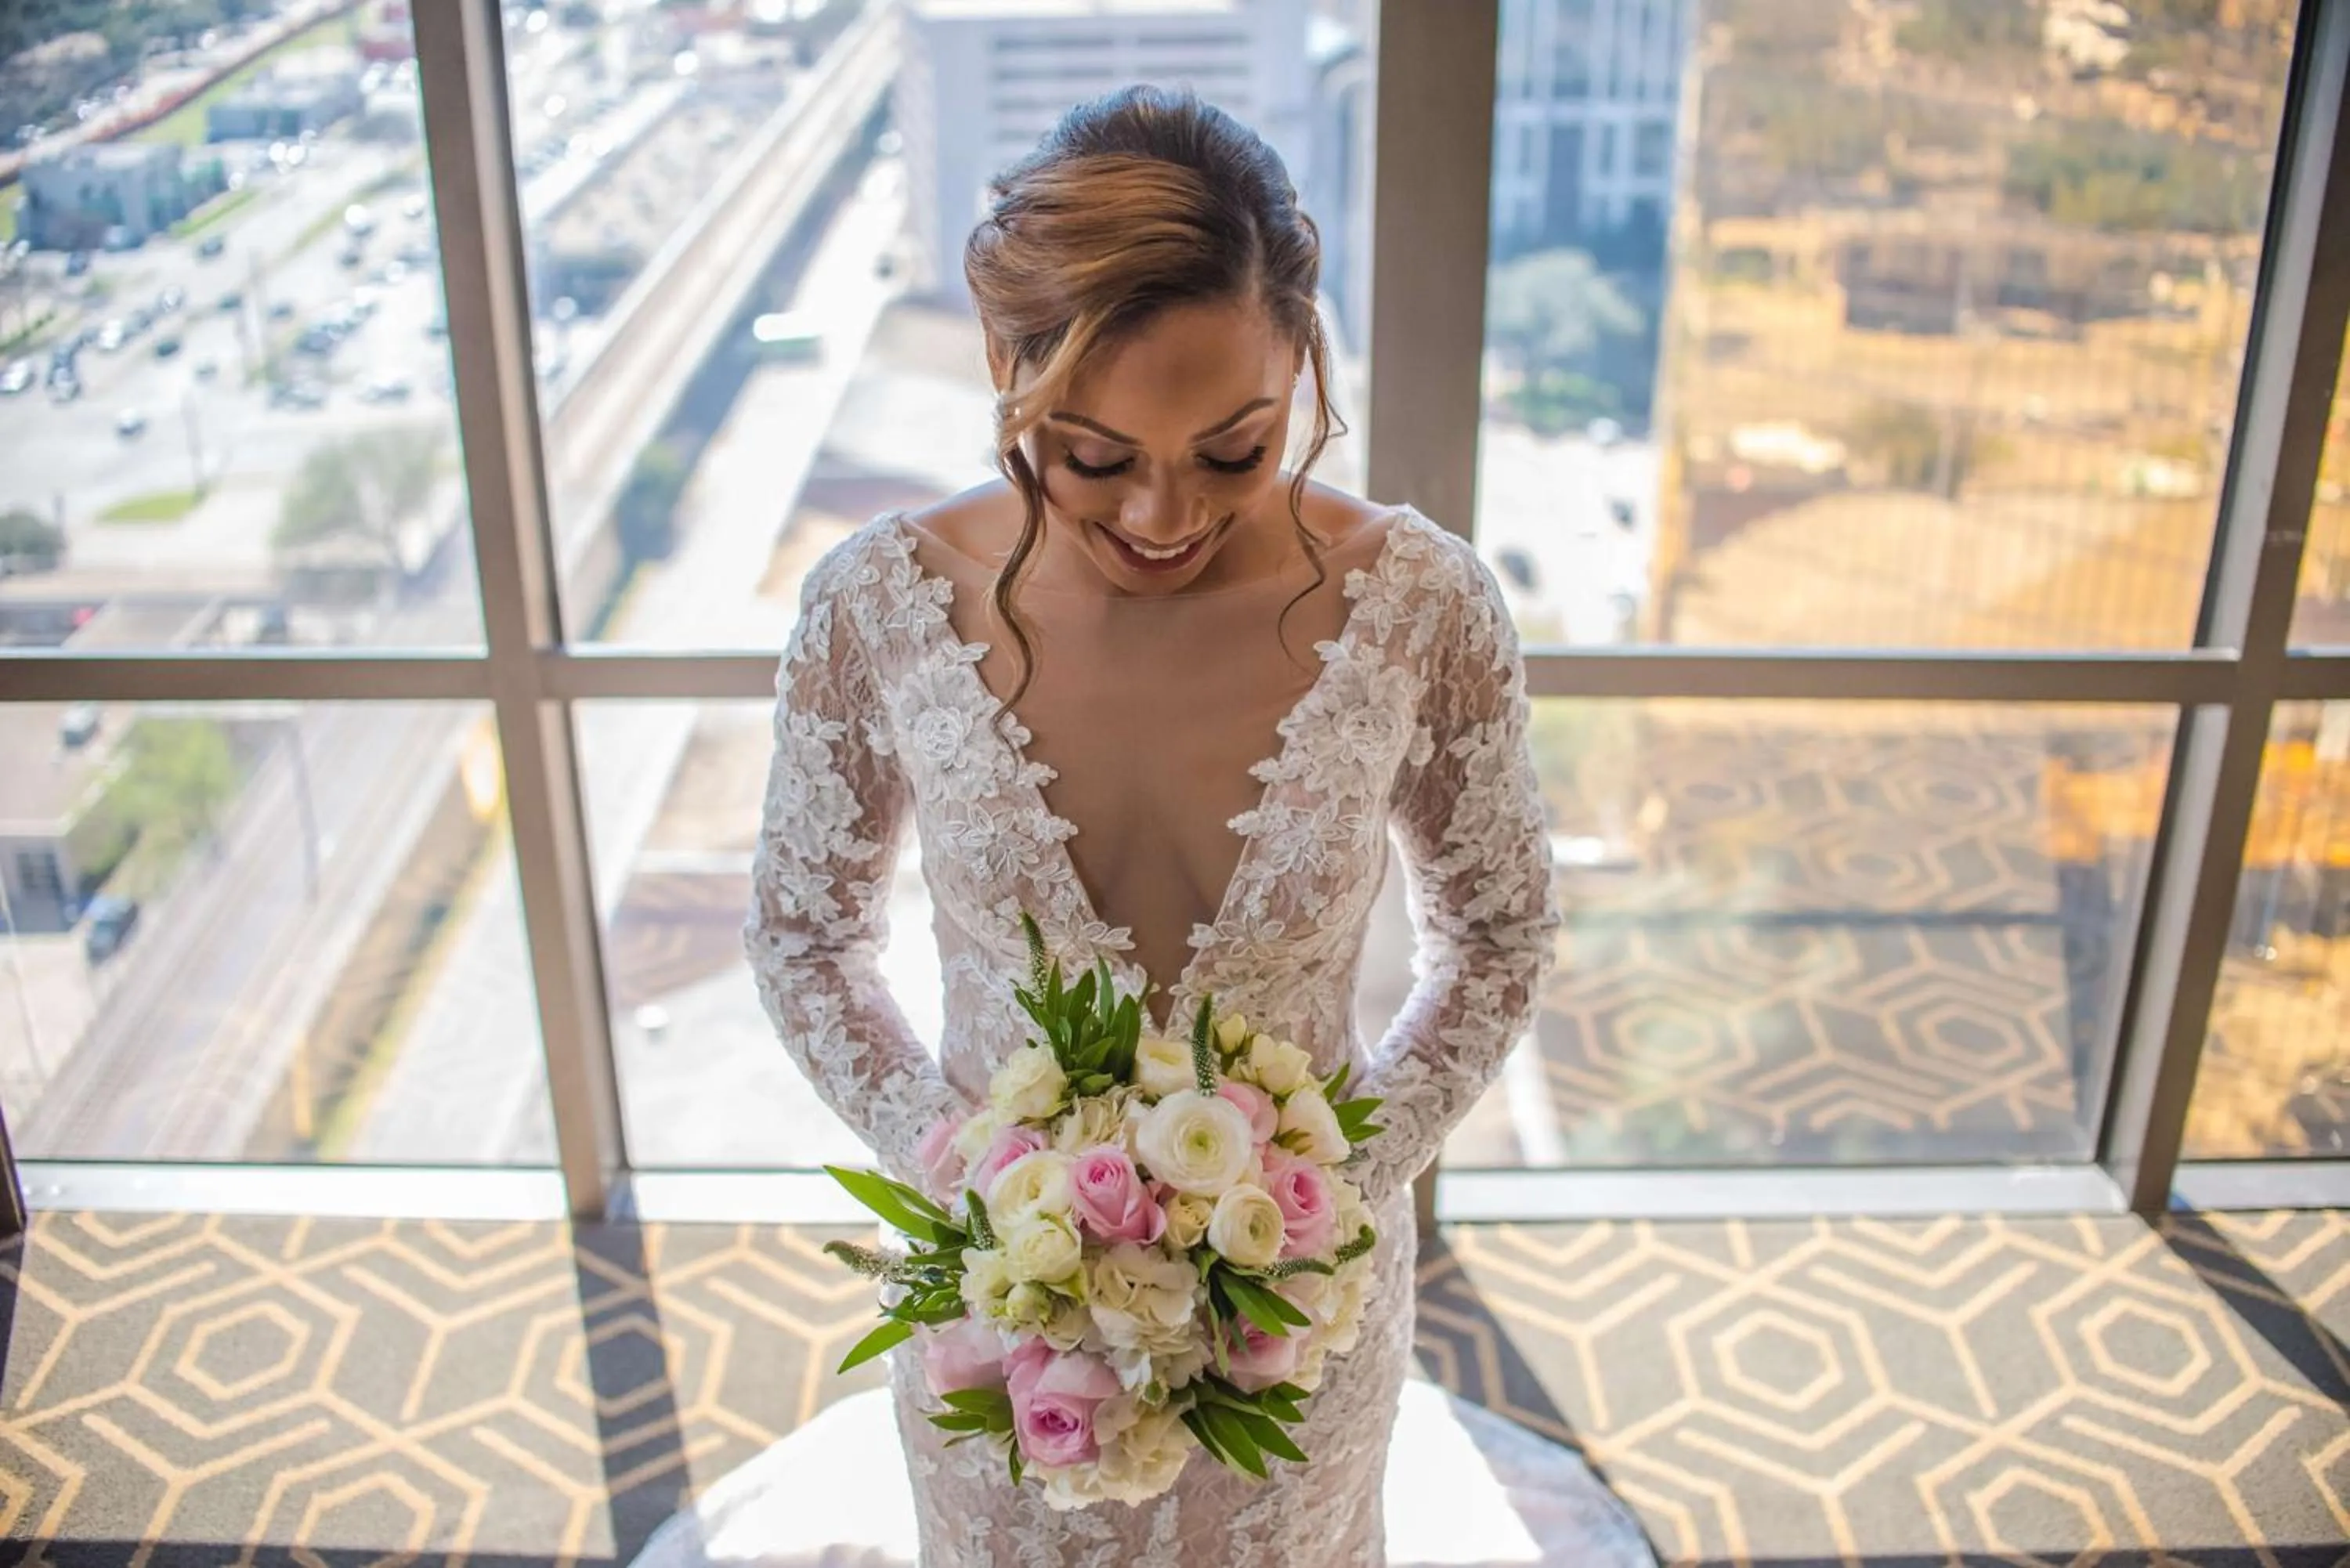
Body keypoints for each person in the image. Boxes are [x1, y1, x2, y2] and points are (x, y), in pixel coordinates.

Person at [632, 86, 1655, 1568]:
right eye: (1095, 457)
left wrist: (1335, 1188)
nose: (1166, 515)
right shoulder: (879, 607)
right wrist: (969, 1172)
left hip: (1304, 1317)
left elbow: (1497, 935)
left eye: (1236, 449)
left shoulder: (1423, 606)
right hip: (1006, 1330)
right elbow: (803, 938)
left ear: (1301, 365)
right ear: (1007, 372)